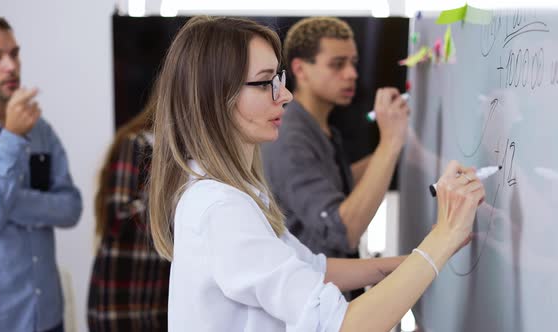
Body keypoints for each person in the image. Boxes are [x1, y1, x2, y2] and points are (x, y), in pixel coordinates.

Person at [148, 15, 485, 331]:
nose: (286, 95)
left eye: (278, 80)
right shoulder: (222, 209)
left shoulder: (228, 192)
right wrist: (443, 236)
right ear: (216, 98)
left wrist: (420, 256)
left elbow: (315, 268)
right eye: (266, 83)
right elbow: (342, 324)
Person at [262, 17, 409, 267]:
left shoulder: (317, 125)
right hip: (310, 295)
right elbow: (344, 232)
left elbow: (332, 179)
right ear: (300, 69)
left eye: (353, 63)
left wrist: (398, 146)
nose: (352, 74)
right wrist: (390, 143)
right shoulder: (289, 138)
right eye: (337, 64)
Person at [0, 12, 82, 332]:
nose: (11, 66)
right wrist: (14, 137)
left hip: (46, 314)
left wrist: (6, 199)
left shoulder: (40, 128)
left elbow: (71, 208)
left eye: (14, 53)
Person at [87, 100, 170, 331]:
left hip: (159, 300)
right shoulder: (136, 144)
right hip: (120, 300)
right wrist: (167, 197)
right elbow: (118, 218)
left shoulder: (180, 153)